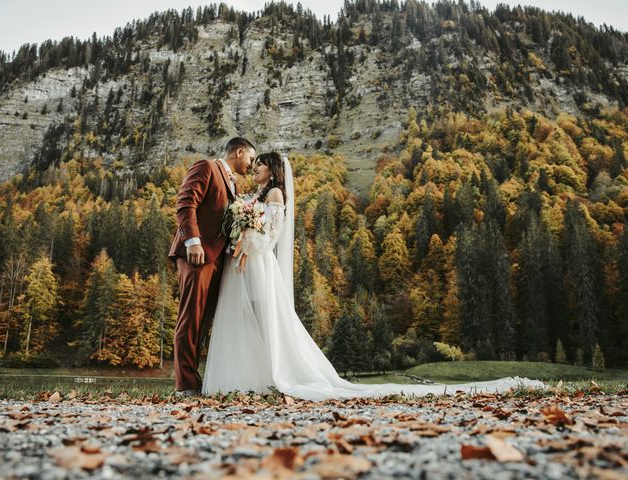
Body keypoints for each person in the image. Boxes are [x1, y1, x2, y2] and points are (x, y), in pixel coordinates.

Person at [202, 152, 547, 402]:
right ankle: (254, 376)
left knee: (265, 321)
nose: (256, 168)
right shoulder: (258, 195)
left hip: (259, 264)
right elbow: (247, 220)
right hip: (245, 263)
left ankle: (273, 376)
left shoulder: (275, 194)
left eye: (261, 164)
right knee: (252, 322)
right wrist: (240, 231)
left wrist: (248, 239)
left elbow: (271, 235)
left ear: (273, 170)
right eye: (256, 163)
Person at [168, 137, 256, 398]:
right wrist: (193, 242)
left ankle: (195, 380)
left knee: (204, 321)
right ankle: (185, 385)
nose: (251, 165)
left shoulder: (235, 186)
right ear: (239, 152)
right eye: (250, 159)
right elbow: (186, 204)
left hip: (218, 260)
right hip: (196, 255)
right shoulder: (206, 167)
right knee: (191, 318)